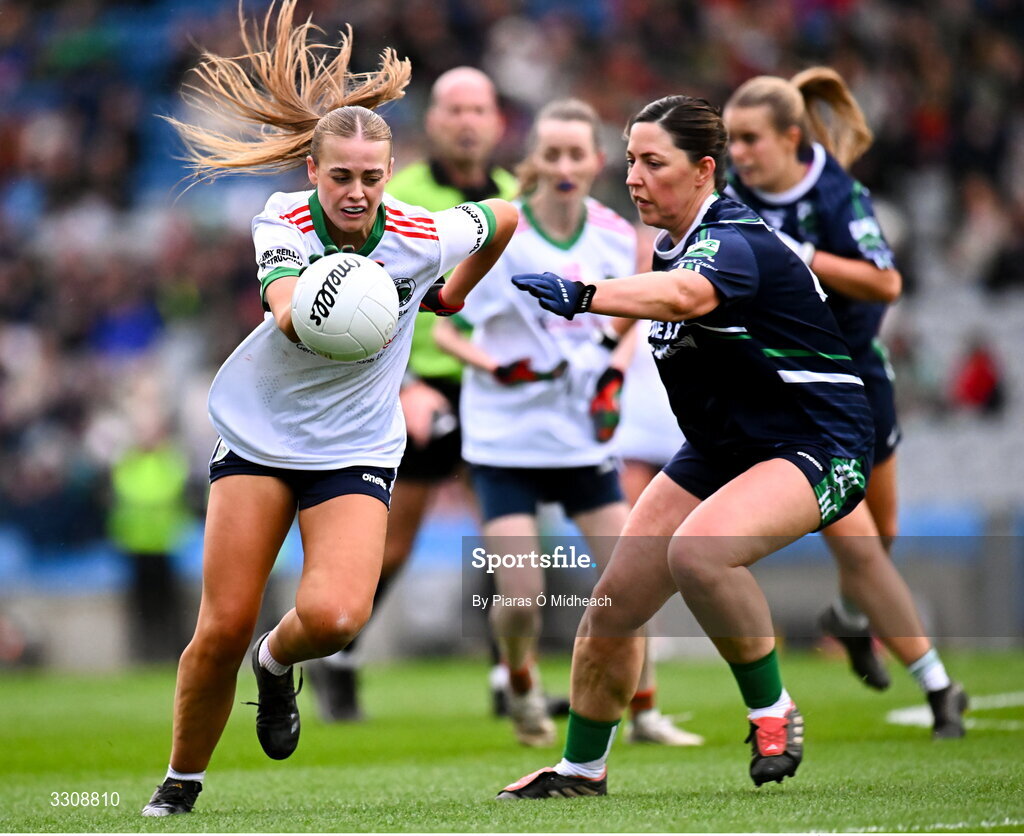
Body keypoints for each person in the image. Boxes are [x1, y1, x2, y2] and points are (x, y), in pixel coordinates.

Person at [140, 1, 517, 816]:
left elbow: (506, 217)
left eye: (370, 177)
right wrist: (314, 302)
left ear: (390, 172)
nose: (355, 191)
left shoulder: (422, 232)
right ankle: (180, 784)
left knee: (339, 616)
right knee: (220, 627)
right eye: (339, 176)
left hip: (354, 449)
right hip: (259, 439)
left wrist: (453, 293)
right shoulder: (280, 218)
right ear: (312, 172)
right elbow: (282, 302)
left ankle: (277, 668)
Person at [496, 94, 876, 799]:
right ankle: (580, 771)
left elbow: (684, 298)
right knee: (614, 604)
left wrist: (583, 295)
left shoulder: (732, 241)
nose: (634, 176)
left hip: (820, 444)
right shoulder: (672, 243)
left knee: (700, 551)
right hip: (723, 448)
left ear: (703, 170)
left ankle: (773, 711)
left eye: (653, 162)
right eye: (631, 160)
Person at [434, 98, 702, 748]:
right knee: (522, 595)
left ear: (596, 163)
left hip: (581, 440)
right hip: (504, 441)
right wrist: (494, 367)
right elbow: (448, 330)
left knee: (632, 581)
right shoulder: (501, 234)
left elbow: (631, 318)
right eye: (550, 153)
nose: (563, 164)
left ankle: (643, 712)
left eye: (575, 153)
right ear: (532, 161)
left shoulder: (614, 233)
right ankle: (521, 681)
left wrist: (614, 366)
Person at [723, 68, 967, 735]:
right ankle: (939, 686)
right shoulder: (733, 193)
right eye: (732, 140)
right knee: (854, 539)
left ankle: (856, 621)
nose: (739, 154)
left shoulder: (835, 194)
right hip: (786, 383)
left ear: (792, 138)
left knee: (875, 537)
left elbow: (885, 282)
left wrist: (796, 254)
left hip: (855, 376)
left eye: (751, 139)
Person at [305, 65, 522, 722]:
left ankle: (509, 676)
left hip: (497, 384)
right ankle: (339, 655)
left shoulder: (515, 195)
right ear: (432, 123)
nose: (465, 120)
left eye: (477, 108)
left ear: (497, 121)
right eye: (453, 108)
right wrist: (401, 384)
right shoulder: (396, 192)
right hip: (421, 382)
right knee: (394, 542)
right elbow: (352, 300)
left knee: (509, 536)